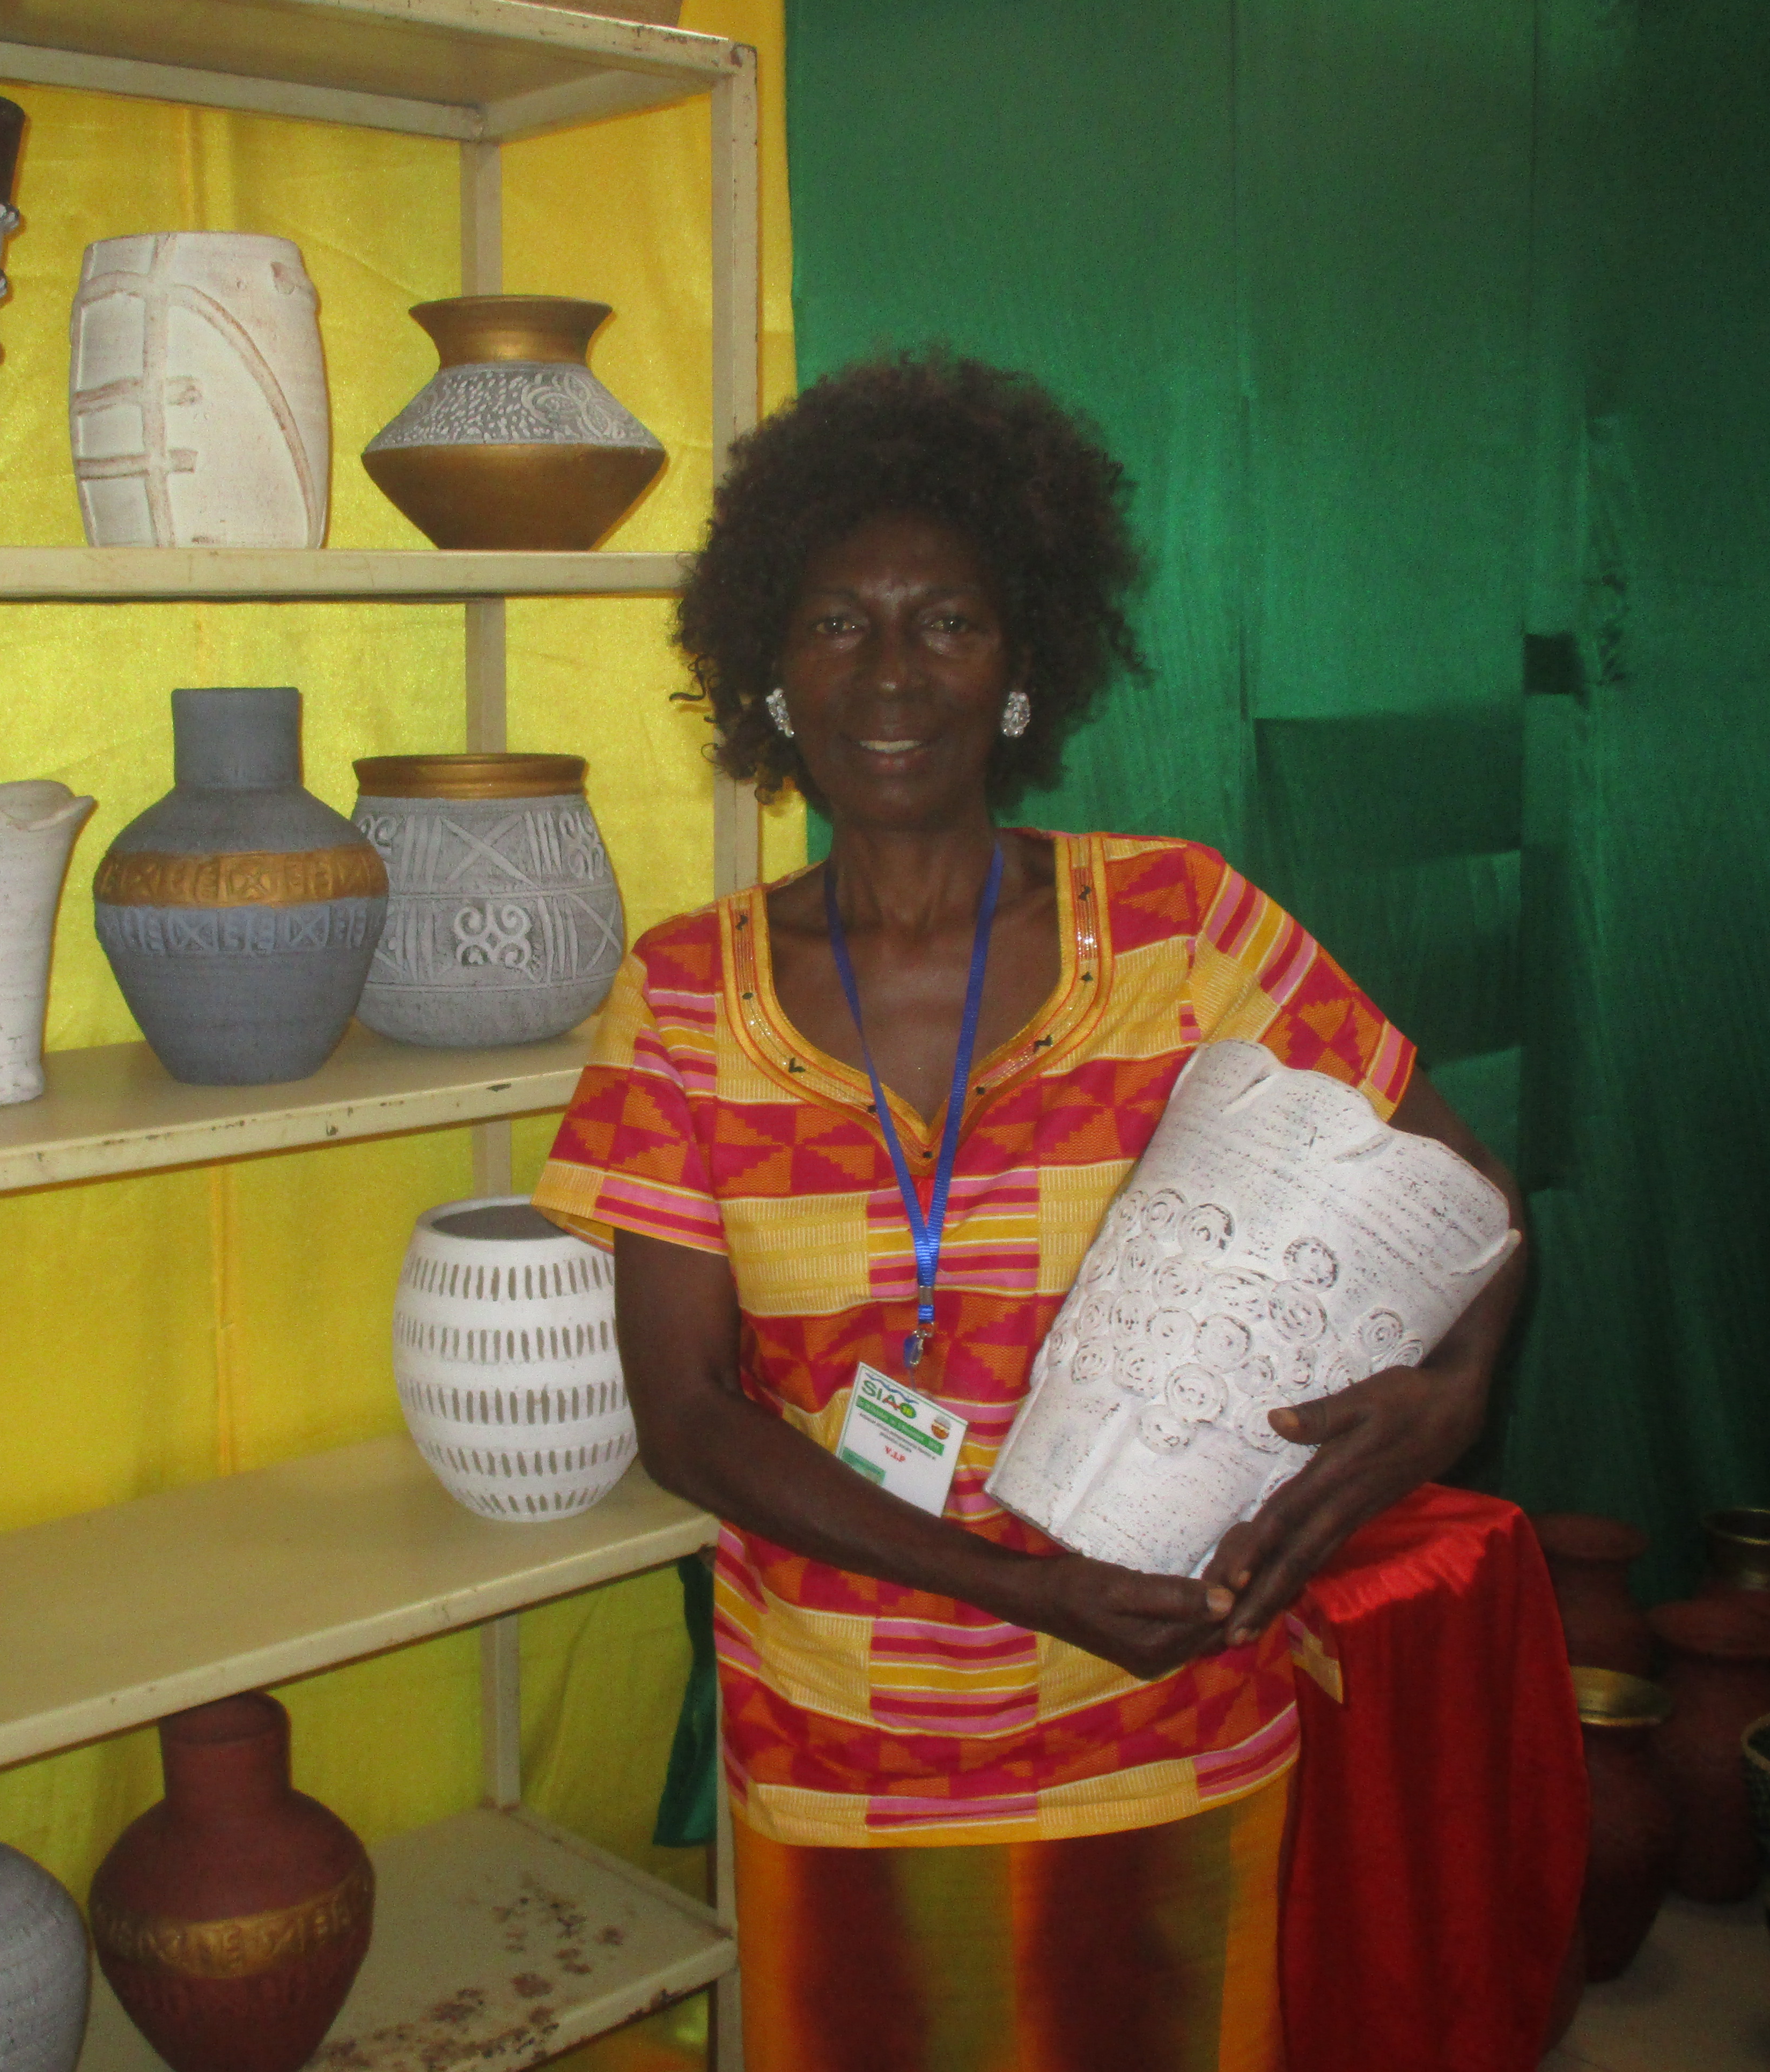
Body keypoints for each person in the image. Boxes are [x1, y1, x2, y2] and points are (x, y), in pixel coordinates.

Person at [532, 352, 1526, 2071]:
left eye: (948, 622)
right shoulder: (687, 996)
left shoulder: (1184, 930)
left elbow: (1468, 1209)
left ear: (1020, 667)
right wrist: (1019, 1589)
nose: (893, 673)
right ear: (768, 667)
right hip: (848, 1750)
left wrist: (1450, 1391)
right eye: (839, 624)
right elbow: (686, 1419)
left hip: (1169, 1716)